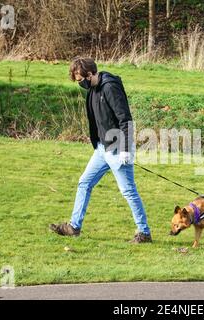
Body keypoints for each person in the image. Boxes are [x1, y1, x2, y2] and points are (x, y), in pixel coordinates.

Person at [49, 57, 152, 243]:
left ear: (90, 74)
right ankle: (74, 227)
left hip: (118, 149)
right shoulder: (93, 90)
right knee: (84, 183)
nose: (80, 84)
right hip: (102, 150)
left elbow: (125, 118)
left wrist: (126, 149)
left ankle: (144, 233)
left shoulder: (110, 88)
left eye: (80, 80)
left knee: (128, 191)